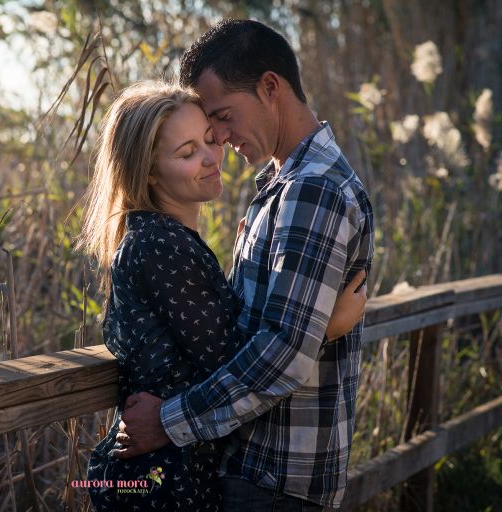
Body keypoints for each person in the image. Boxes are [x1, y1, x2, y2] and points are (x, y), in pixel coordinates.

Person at [114, 19, 376, 511]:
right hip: (254, 469)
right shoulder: (282, 186)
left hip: (274, 478)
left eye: (223, 116)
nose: (219, 135)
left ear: (270, 87)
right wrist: (324, 329)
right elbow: (252, 328)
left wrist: (167, 422)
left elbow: (283, 353)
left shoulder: (312, 189)